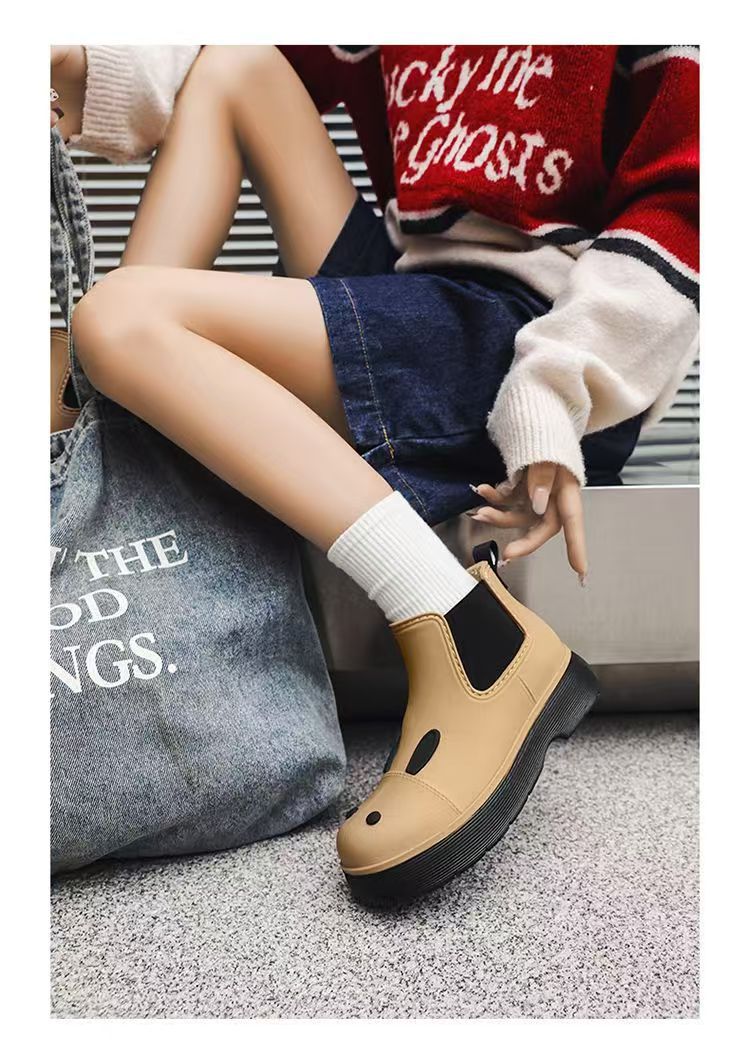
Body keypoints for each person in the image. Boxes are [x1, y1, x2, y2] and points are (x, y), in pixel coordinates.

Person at [51, 45, 699, 903]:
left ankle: (468, 633)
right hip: (416, 293)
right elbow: (251, 57)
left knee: (118, 320)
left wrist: (555, 391)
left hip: (540, 333)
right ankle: (117, 421)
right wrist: (71, 63)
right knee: (237, 65)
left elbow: (689, 202)